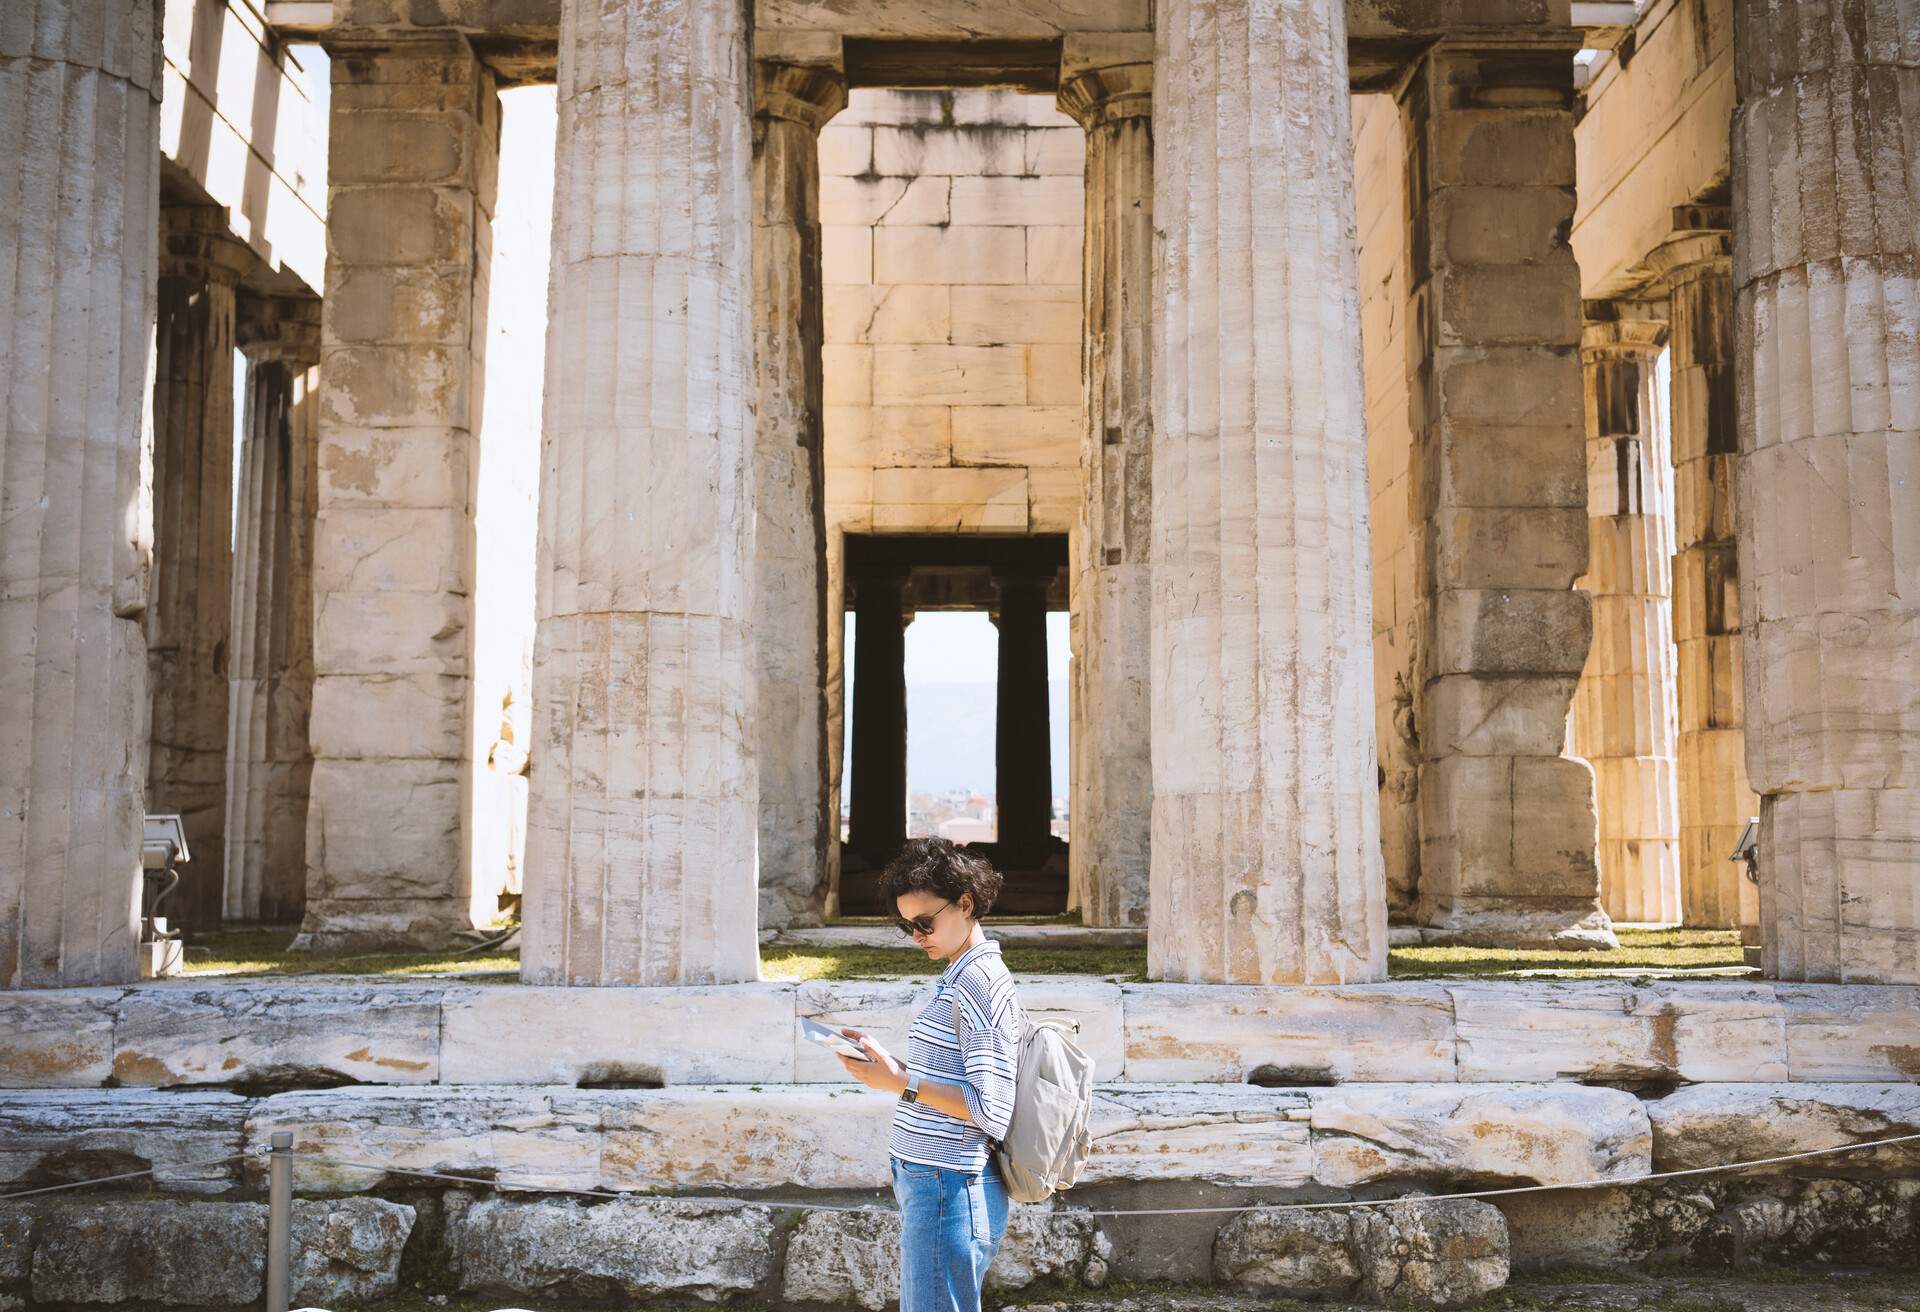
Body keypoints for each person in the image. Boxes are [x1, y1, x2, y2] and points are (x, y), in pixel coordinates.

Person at [834, 836, 1024, 1312]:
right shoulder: (958, 973)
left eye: (924, 922)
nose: (917, 935)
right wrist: (890, 1066)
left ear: (966, 903)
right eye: (906, 926)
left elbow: (990, 1108)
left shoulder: (979, 982)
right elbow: (952, 1075)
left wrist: (899, 1083)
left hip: (950, 1184)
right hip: (933, 1180)